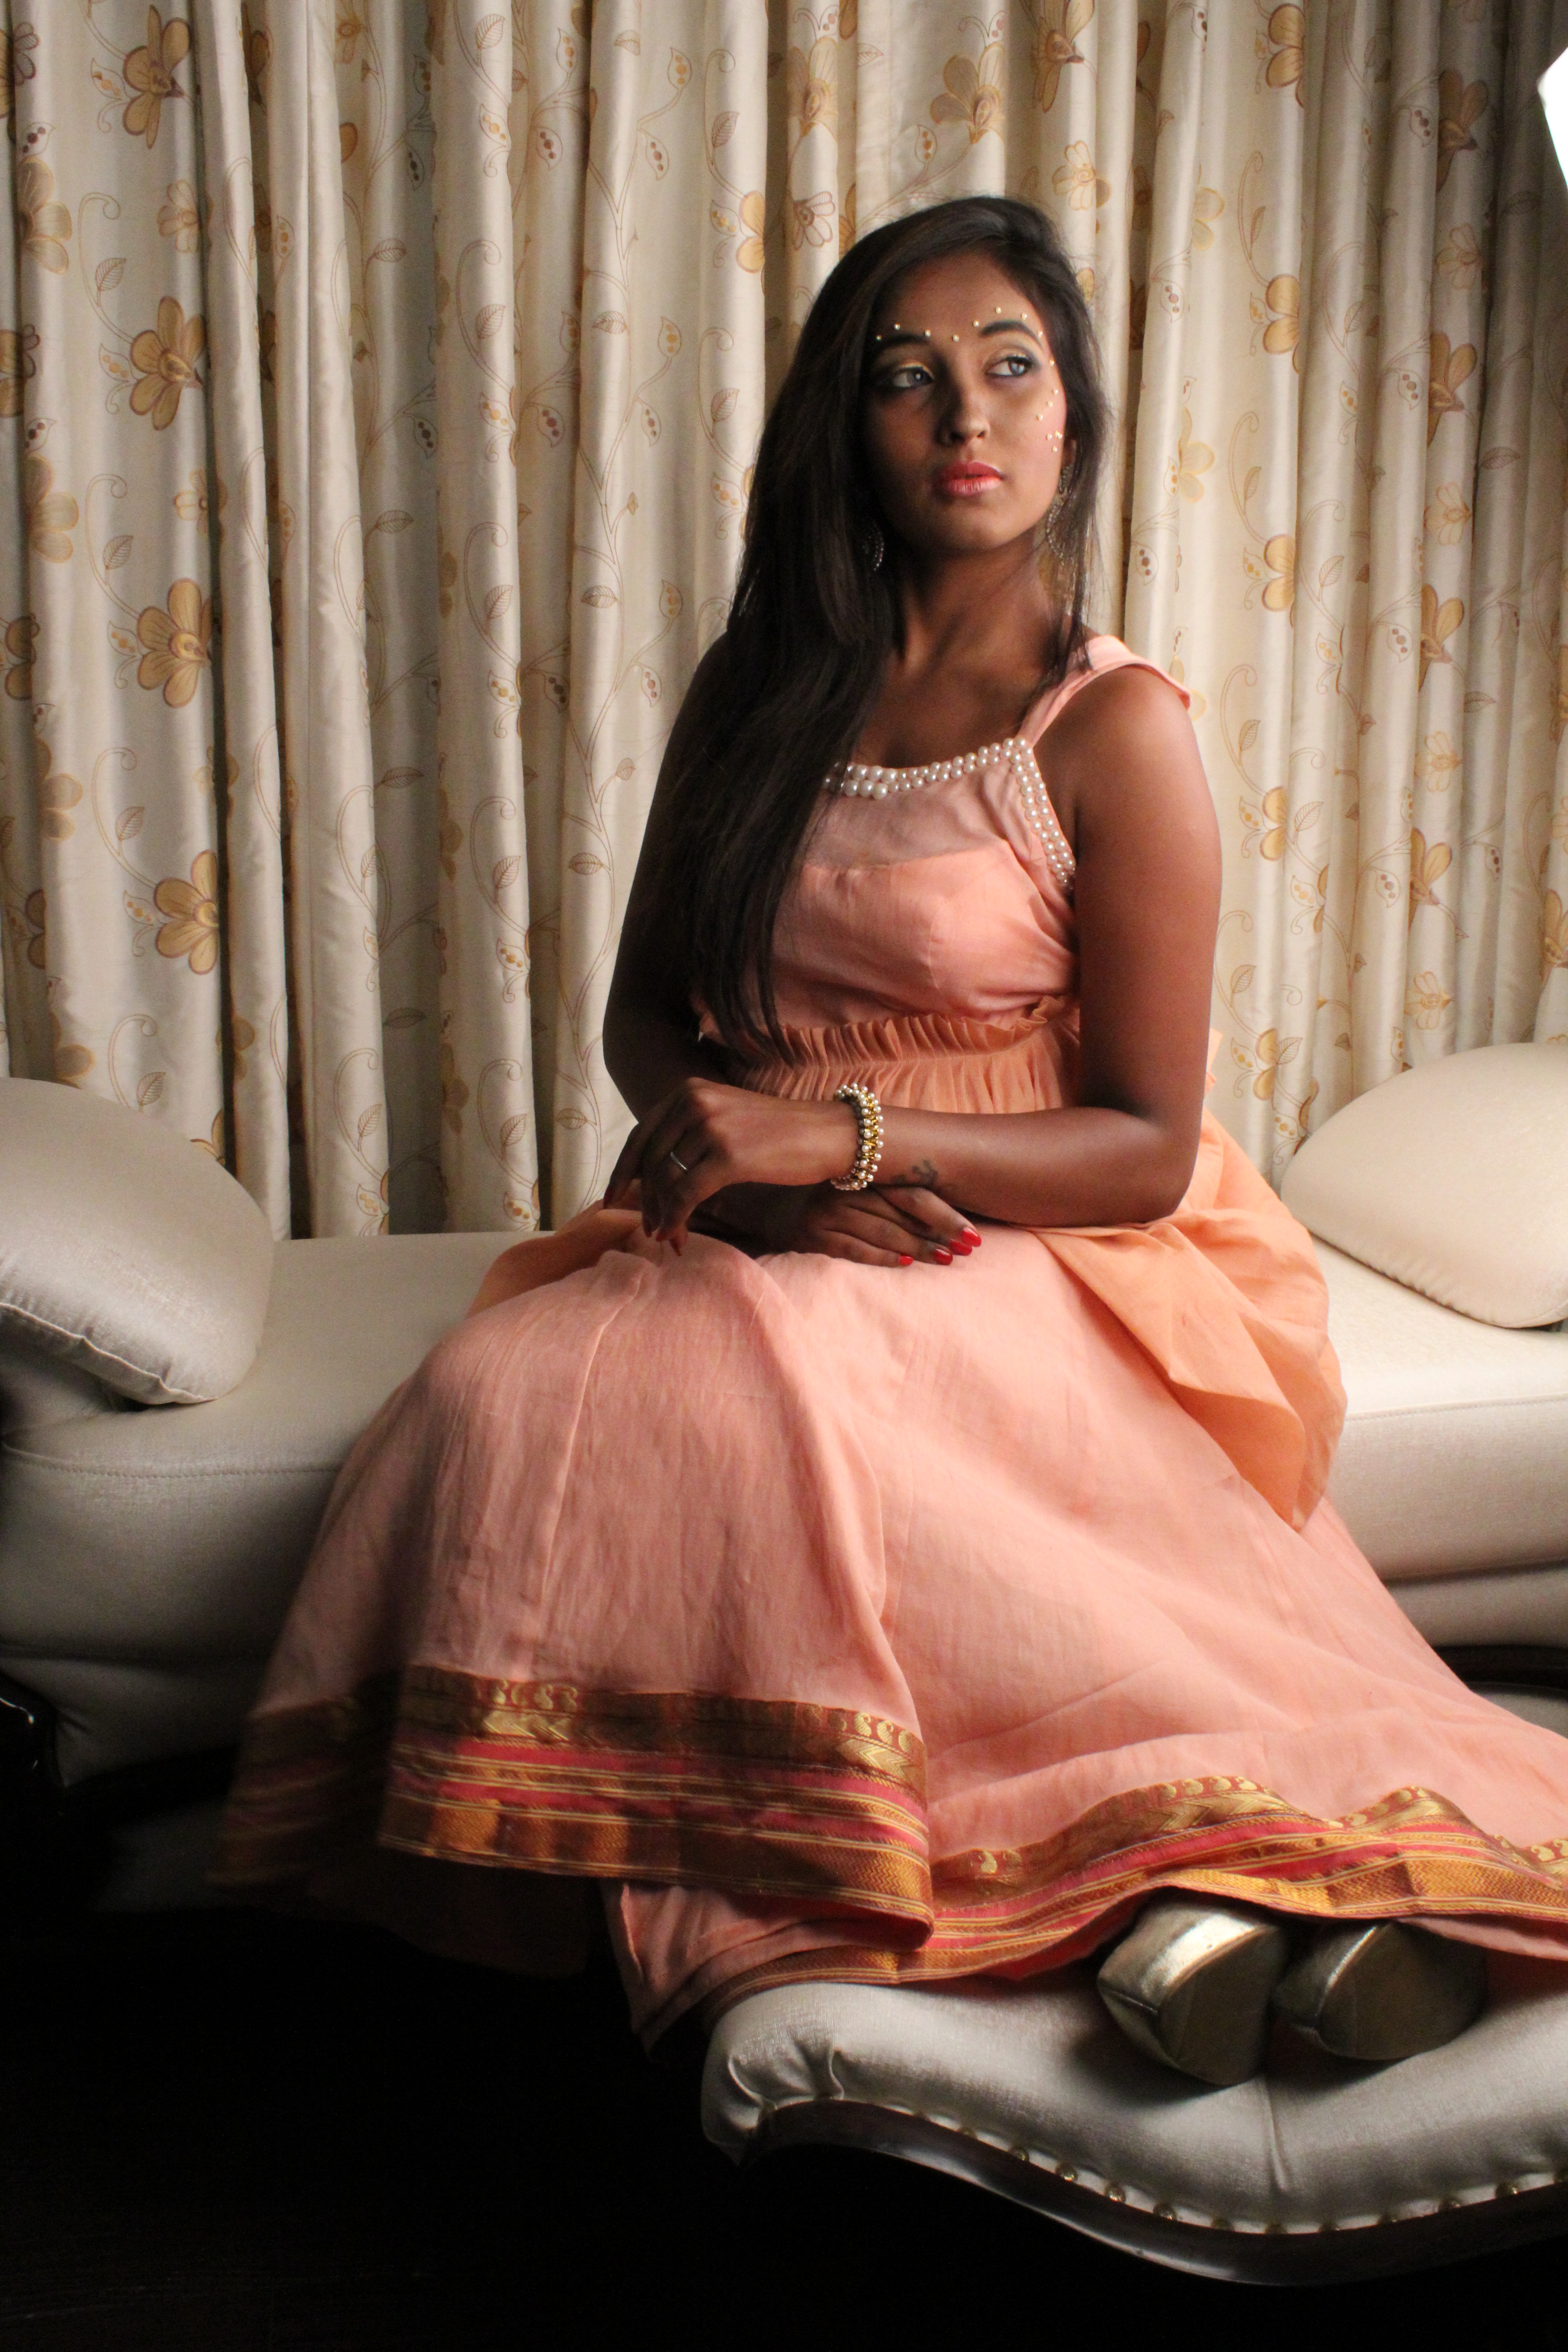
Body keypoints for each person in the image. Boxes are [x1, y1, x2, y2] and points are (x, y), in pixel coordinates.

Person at [215, 198, 1568, 2087]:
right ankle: (1123, 1908)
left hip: (1036, 1229)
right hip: (767, 1217)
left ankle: (1225, 1880)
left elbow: (1142, 1147)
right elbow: (645, 1016)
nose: (966, 414)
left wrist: (845, 1139)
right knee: (499, 1389)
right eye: (906, 376)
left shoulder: (1111, 727)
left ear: (1075, 413)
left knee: (834, 1406)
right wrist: (765, 1196)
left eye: (1011, 365)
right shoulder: (757, 691)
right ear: (843, 427)